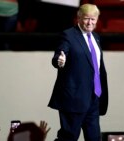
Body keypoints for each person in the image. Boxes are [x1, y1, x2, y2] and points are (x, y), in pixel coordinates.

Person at [48, 3, 108, 141]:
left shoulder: (96, 37)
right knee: (68, 137)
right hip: (74, 98)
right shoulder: (68, 35)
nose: (90, 22)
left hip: (94, 98)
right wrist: (59, 60)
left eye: (93, 19)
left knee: (94, 138)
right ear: (79, 18)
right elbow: (60, 53)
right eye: (86, 18)